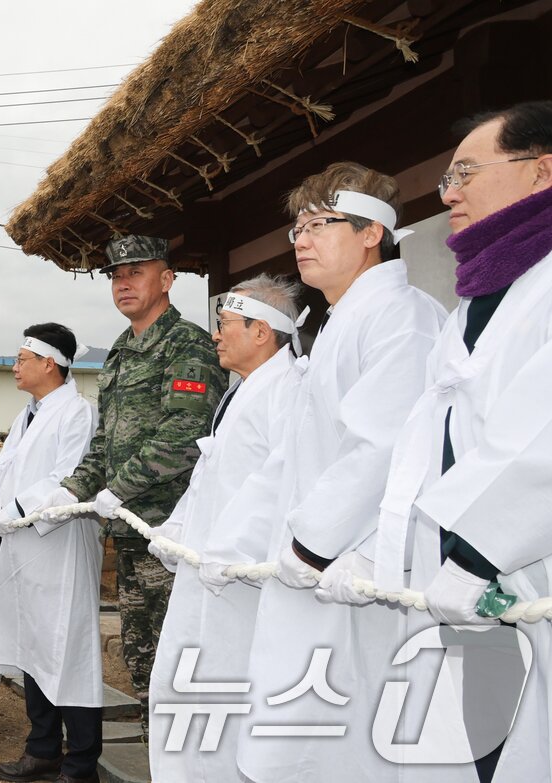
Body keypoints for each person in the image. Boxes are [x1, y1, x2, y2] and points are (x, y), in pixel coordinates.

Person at [219, 162, 446, 782]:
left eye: (320, 225)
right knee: (305, 722)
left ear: (372, 232)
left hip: (356, 566)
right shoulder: (338, 325)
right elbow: (294, 456)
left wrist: (313, 542)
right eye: (297, 229)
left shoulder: (402, 315)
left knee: (356, 724)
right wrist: (240, 540)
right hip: (315, 561)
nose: (302, 241)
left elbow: (384, 445)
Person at [369, 101, 552, 783]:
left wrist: (476, 556)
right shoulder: (477, 300)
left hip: (508, 572)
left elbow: (544, 436)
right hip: (467, 586)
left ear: (542, 171)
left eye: (466, 172)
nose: (449, 192)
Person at [51, 235, 227, 732]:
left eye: (136, 272)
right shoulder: (121, 352)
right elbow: (106, 438)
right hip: (129, 536)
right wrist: (72, 488)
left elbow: (186, 433)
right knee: (142, 660)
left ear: (167, 280)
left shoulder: (187, 343)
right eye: (115, 275)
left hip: (170, 533)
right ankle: (160, 755)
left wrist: (119, 488)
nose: (123, 282)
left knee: (183, 661)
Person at [145, 274, 303, 780]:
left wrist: (229, 545)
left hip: (244, 573)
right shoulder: (239, 392)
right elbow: (210, 472)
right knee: (193, 681)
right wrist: (178, 525)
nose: (216, 335)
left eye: (225, 324)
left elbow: (279, 479)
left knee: (233, 690)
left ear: (261, 332)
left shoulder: (290, 389)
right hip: (208, 565)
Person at [0, 323, 100, 783]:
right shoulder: (29, 414)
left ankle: (81, 763)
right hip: (20, 546)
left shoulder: (78, 412)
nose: (15, 366)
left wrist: (18, 509)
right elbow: (3, 475)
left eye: (22, 359)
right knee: (33, 647)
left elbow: (69, 478)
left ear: (49, 363)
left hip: (58, 548)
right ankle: (42, 747)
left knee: (67, 651)